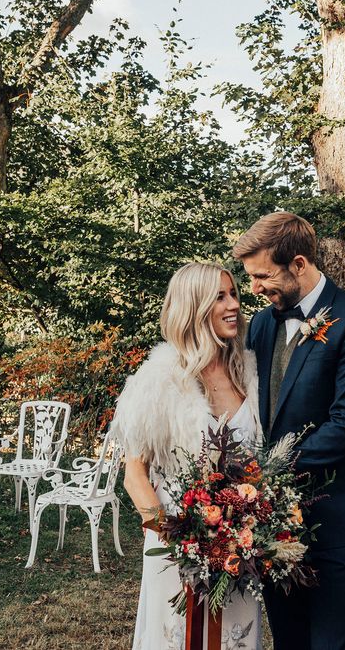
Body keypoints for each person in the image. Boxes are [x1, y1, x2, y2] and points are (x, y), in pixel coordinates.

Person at [232, 212, 345, 650]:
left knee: (332, 644)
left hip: (337, 515)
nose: (256, 288)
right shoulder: (263, 324)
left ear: (298, 264)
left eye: (263, 276)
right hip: (275, 522)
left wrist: (265, 472)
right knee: (289, 641)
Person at [110, 262, 262, 650]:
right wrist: (181, 542)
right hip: (177, 544)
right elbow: (134, 475)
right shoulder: (159, 378)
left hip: (239, 549)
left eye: (234, 294)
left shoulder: (248, 372)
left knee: (236, 638)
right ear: (194, 307)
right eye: (219, 297)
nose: (234, 306)